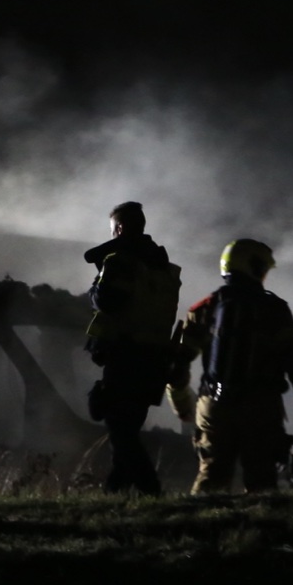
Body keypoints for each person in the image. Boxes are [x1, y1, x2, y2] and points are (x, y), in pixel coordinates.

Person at [169, 238, 293, 494]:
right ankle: (259, 528)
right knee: (262, 481)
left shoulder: (203, 308)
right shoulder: (276, 309)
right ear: (256, 268)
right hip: (261, 408)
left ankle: (195, 527)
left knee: (211, 476)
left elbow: (178, 365)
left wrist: (182, 406)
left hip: (214, 407)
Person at [82, 201, 181, 494]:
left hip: (125, 356)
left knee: (120, 431)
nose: (112, 236)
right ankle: (115, 491)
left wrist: (95, 286)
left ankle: (151, 490)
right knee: (126, 428)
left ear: (121, 228)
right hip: (154, 360)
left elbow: (107, 301)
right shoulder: (161, 267)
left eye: (113, 230)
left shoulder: (121, 261)